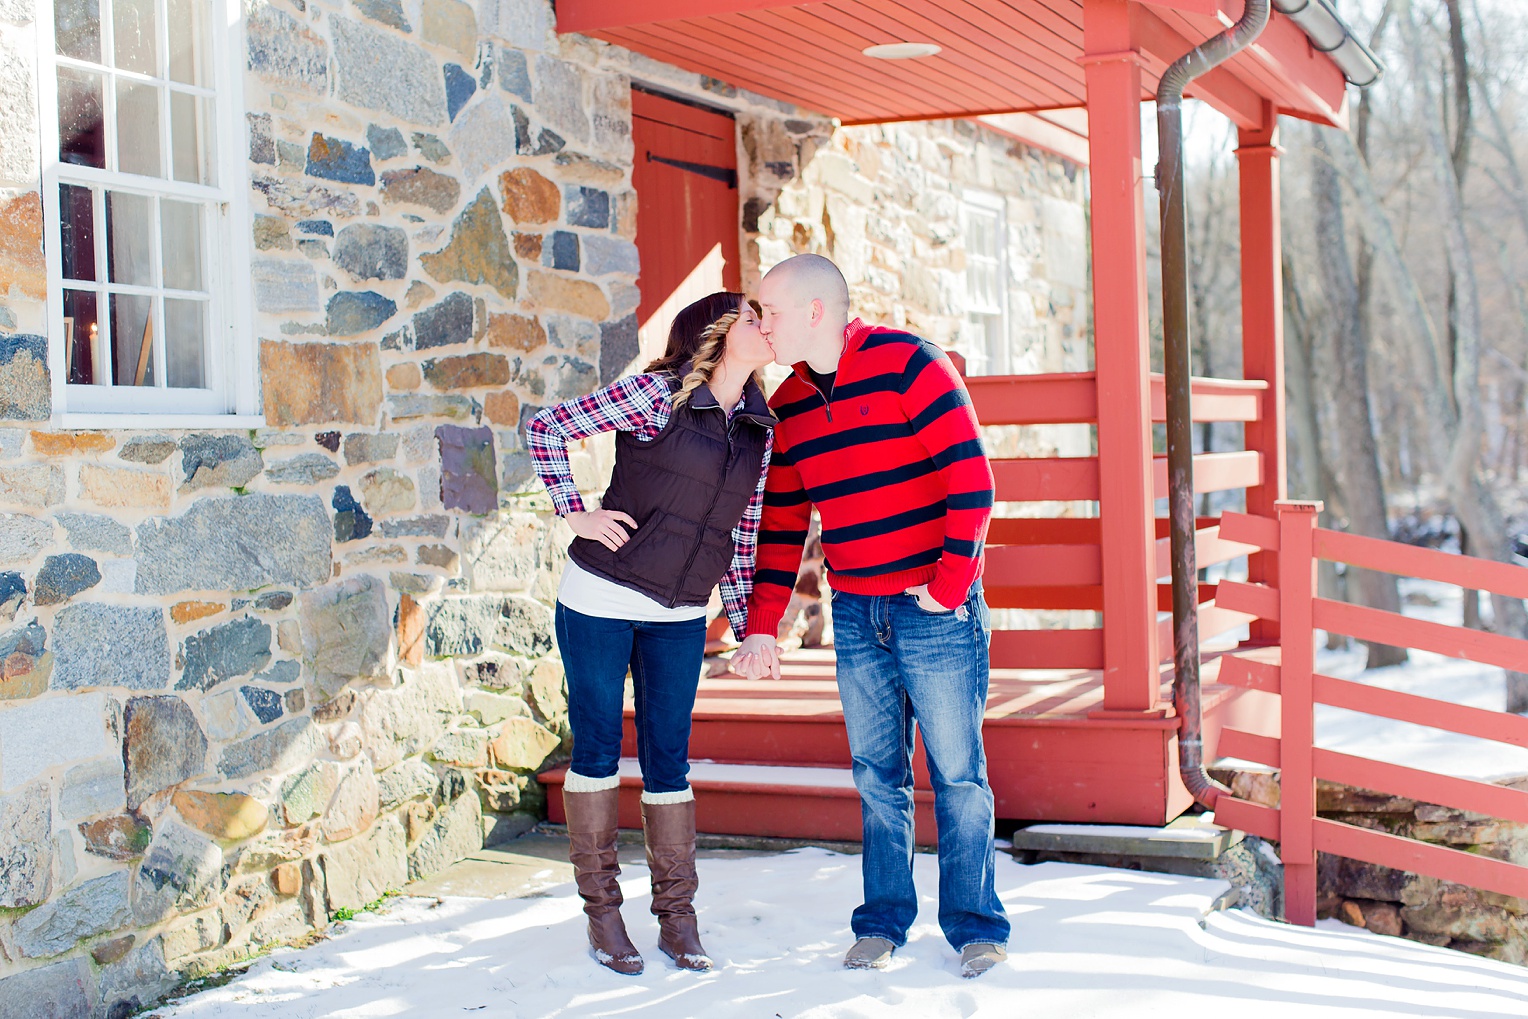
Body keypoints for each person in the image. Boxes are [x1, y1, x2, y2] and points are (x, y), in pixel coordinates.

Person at [731, 254, 1010, 979]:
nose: (760, 325)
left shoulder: (909, 363)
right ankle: (883, 922)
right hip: (856, 610)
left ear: (816, 312)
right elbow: (785, 522)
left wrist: (950, 587)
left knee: (957, 773)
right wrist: (762, 622)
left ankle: (976, 926)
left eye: (771, 311)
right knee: (875, 776)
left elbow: (973, 480)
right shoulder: (787, 404)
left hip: (934, 609)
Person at [526, 293, 775, 976]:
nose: (769, 327)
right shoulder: (655, 395)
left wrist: (751, 623)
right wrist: (575, 512)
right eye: (756, 317)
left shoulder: (759, 426)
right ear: (721, 334)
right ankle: (603, 913)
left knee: (670, 758)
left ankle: (677, 917)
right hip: (601, 596)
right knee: (599, 747)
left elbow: (741, 535)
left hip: (681, 612)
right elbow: (547, 428)